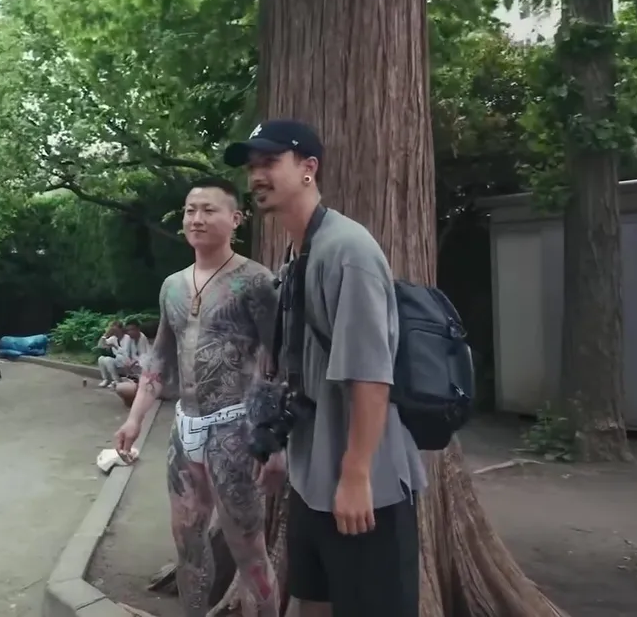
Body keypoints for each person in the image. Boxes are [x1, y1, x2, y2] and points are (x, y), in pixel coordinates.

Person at [224, 120, 426, 617]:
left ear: (308, 168)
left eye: (270, 162)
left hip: (366, 491)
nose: (257, 176)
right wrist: (278, 446)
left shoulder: (347, 250)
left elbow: (371, 375)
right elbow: (300, 367)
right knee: (312, 602)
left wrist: (356, 474)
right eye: (252, 166)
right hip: (312, 483)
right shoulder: (298, 253)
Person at [113, 176, 282, 616]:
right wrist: (135, 419)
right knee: (187, 546)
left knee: (250, 552)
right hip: (184, 429)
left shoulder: (257, 282)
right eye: (190, 210)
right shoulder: (172, 285)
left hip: (235, 430)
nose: (197, 219)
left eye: (209, 210)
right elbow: (160, 358)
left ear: (235, 218)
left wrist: (275, 442)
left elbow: (280, 364)